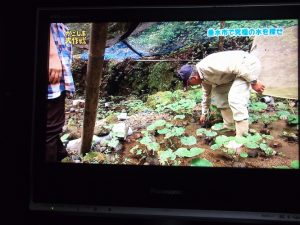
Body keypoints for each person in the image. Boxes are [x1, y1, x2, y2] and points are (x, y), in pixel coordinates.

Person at [178, 50, 265, 137]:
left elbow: (237, 67)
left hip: (247, 65)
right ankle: (229, 126)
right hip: (232, 75)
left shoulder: (208, 66)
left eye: (189, 83)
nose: (190, 85)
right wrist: (204, 114)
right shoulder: (203, 79)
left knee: (235, 98)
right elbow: (206, 96)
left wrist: (254, 81)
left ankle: (241, 137)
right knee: (219, 95)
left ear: (193, 78)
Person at [46, 23, 75, 162]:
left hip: (58, 55)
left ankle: (61, 156)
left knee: (54, 126)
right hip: (53, 60)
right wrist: (52, 55)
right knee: (49, 129)